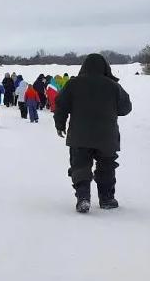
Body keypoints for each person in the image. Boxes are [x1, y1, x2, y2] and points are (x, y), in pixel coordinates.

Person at [54, 53, 132, 213]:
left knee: (80, 165)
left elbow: (61, 105)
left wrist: (60, 124)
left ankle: (83, 197)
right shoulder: (112, 85)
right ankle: (107, 199)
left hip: (79, 135)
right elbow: (126, 108)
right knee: (107, 166)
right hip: (107, 136)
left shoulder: (73, 84)